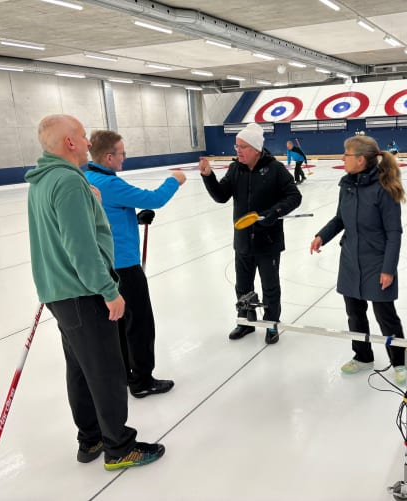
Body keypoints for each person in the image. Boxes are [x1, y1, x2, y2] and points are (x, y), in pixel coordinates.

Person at [25, 115, 164, 470]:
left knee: (80, 367)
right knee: (105, 370)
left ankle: (90, 439)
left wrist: (92, 200)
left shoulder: (44, 180)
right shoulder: (69, 183)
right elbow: (81, 247)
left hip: (60, 292)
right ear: (70, 143)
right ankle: (119, 446)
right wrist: (108, 289)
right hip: (83, 291)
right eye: (83, 137)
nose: (89, 143)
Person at [84, 130, 186, 398]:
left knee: (118, 323)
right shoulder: (110, 184)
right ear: (108, 157)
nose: (124, 157)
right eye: (121, 152)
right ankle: (142, 380)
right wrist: (174, 180)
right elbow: (155, 198)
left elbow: (106, 215)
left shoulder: (89, 178)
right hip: (124, 267)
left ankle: (126, 374)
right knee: (139, 323)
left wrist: (133, 218)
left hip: (105, 264)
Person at [310, 135, 407, 385]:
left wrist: (389, 269)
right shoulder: (347, 186)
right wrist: (322, 235)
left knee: (385, 316)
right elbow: (340, 219)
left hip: (377, 261)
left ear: (361, 160)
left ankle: (399, 361)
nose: (343, 158)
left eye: (347, 154)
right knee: (354, 313)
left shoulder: (385, 188)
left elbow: (394, 233)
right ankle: (362, 356)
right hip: (351, 259)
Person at [198, 123, 301, 344]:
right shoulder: (236, 169)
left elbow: (294, 196)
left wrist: (274, 212)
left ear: (256, 148)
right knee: (243, 286)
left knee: (270, 287)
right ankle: (246, 322)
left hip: (268, 241)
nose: (238, 150)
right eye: (237, 146)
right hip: (243, 241)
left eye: (243, 146)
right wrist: (208, 177)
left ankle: (271, 324)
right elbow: (221, 195)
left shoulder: (275, 169)